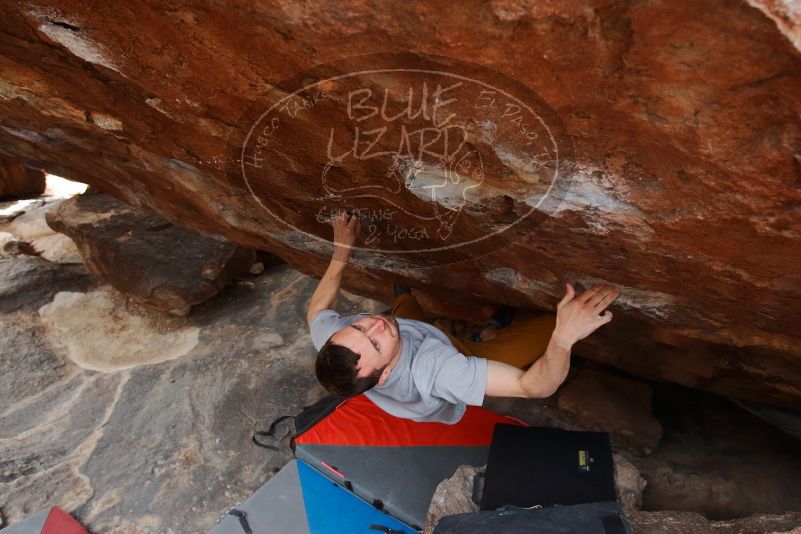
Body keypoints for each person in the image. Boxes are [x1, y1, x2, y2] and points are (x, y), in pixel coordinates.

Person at [307, 211, 620, 424]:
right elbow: (533, 387)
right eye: (374, 343)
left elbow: (318, 311)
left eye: (359, 326)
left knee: (403, 315)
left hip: (420, 337)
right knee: (550, 329)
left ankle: (405, 298)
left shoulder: (337, 342)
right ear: (385, 374)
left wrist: (341, 253)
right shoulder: (438, 372)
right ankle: (483, 338)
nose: (376, 322)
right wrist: (565, 337)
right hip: (450, 356)